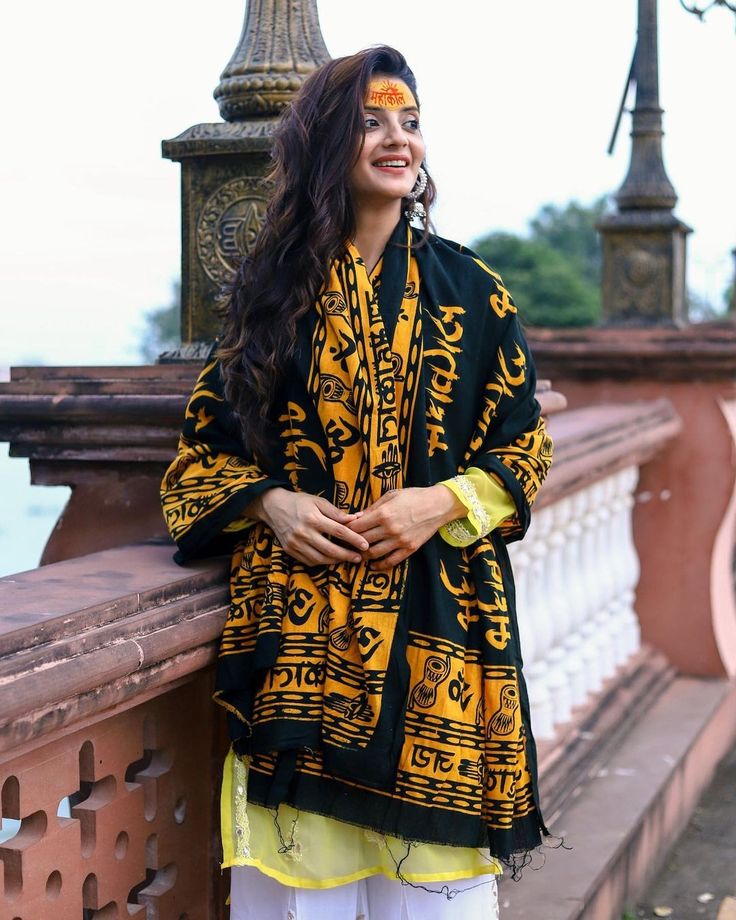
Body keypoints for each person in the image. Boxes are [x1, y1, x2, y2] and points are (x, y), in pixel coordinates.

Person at [161, 45, 553, 920]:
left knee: (443, 902)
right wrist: (271, 502)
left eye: (410, 122)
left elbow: (523, 447)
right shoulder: (272, 296)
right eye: (372, 121)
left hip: (439, 645)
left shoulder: (474, 293)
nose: (397, 139)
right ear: (327, 144)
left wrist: (441, 502)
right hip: (301, 653)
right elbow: (199, 456)